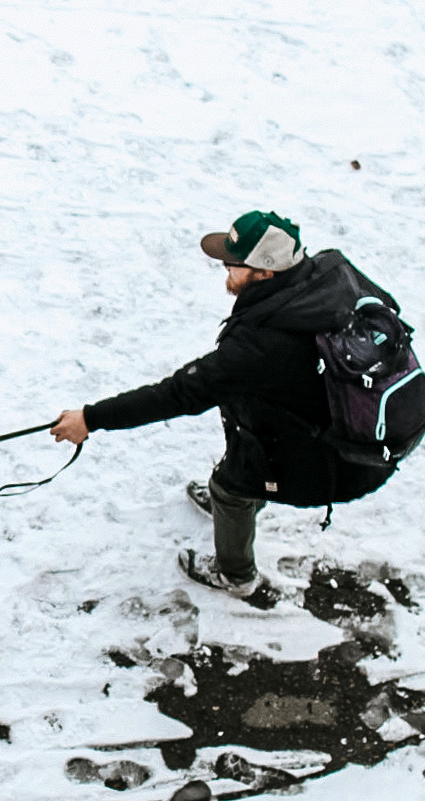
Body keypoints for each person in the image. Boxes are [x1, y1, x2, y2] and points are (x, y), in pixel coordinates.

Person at [50, 210, 405, 599]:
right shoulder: (331, 275)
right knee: (248, 442)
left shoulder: (259, 348)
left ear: (264, 272)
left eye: (232, 264)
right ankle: (239, 505)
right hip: (340, 424)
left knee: (230, 487)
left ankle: (236, 576)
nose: (224, 268)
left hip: (340, 459)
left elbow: (178, 393)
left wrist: (91, 418)